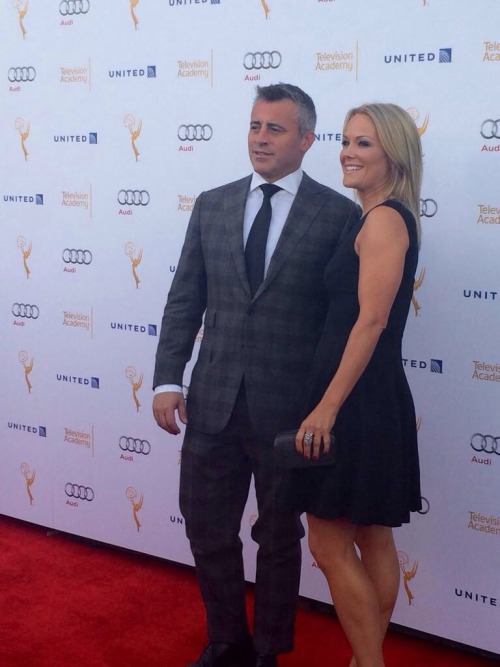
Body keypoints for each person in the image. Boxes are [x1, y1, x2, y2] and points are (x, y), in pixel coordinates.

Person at [152, 83, 359, 667]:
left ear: (306, 139)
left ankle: (267, 649)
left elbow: (340, 324)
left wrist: (324, 406)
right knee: (206, 526)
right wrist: (169, 378)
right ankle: (226, 639)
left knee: (277, 538)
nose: (260, 138)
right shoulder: (212, 203)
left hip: (289, 411)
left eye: (275, 128)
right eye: (254, 126)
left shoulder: (338, 214)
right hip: (212, 402)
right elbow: (183, 299)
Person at [287, 103, 423, 667]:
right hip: (364, 390)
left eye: (364, 143)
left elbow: (371, 321)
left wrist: (327, 407)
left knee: (327, 538)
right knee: (371, 536)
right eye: (345, 141)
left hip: (356, 396)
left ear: (393, 154)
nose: (347, 151)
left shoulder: (386, 219)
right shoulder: (373, 218)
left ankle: (370, 663)